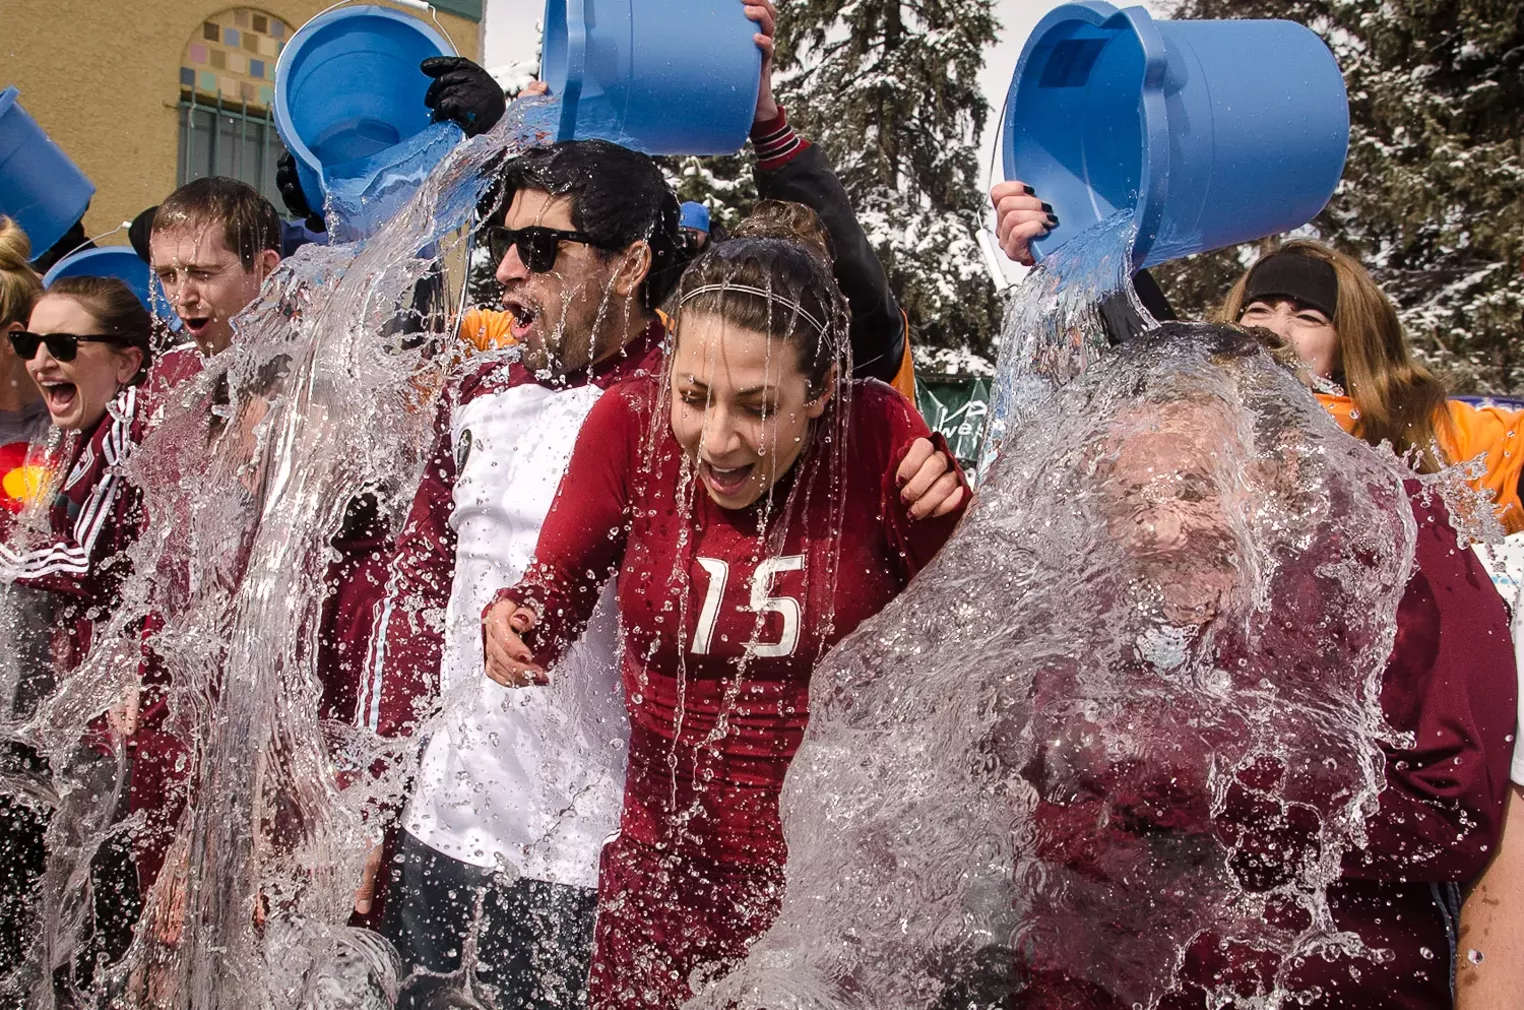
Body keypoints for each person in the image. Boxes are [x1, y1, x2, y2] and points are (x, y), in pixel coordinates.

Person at [480, 204, 969, 1010]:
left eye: (757, 407)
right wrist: (515, 620)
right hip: (660, 883)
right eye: (695, 396)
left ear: (820, 392)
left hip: (832, 895)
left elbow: (982, 635)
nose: (716, 439)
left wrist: (947, 516)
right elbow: (552, 592)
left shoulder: (876, 435)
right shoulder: (631, 423)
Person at [362, 138, 688, 1009]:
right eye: (504, 244)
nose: (507, 270)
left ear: (630, 266)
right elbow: (414, 604)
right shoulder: (474, 398)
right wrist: (375, 802)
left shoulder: (686, 411)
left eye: (540, 249)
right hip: (439, 828)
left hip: (586, 858)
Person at [0, 276, 159, 985]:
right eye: (29, 343)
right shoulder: (70, 436)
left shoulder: (124, 429)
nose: (40, 361)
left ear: (125, 362)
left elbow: (78, 561)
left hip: (118, 730)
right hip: (83, 719)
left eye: (63, 344)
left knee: (95, 924)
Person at [1220, 241, 1524, 532]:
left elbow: (1510, 457)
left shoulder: (1405, 424)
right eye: (1258, 310)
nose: (1274, 329)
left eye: (1308, 317)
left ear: (1347, 346)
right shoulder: (1205, 413)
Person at [148, 177, 283, 358]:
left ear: (265, 270)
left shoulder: (311, 366)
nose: (183, 298)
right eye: (168, 275)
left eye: (201, 273)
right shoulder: (169, 367)